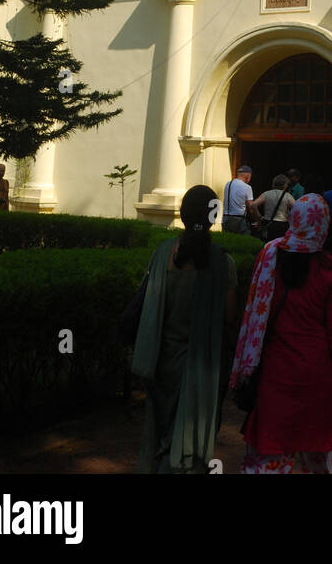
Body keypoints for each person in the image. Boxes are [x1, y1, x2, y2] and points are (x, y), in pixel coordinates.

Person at [230, 193, 332, 474]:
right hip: (319, 382)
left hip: (275, 378)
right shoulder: (331, 269)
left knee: (269, 458)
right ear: (324, 227)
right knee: (323, 457)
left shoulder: (269, 258)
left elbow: (256, 316)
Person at [132, 185, 237, 473]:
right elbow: (229, 318)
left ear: (182, 214)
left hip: (162, 359)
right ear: (214, 216)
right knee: (192, 439)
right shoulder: (223, 262)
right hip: (203, 365)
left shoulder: (163, 253)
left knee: (161, 431)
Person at [253, 173, 295, 242]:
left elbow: (253, 205)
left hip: (267, 223)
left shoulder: (266, 194)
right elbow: (297, 208)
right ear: (285, 184)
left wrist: (260, 218)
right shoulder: (288, 196)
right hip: (281, 225)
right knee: (279, 245)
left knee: (267, 244)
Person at [222, 164, 255, 234]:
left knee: (227, 240)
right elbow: (251, 207)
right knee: (242, 241)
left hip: (225, 218)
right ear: (248, 176)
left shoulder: (228, 184)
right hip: (238, 219)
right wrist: (257, 219)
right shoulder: (247, 187)